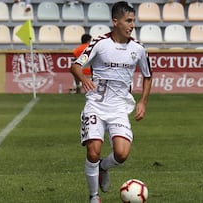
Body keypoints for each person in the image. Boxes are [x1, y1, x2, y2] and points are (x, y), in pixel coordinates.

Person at [70, 1, 152, 202]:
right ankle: (94, 196)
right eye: (128, 20)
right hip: (96, 106)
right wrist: (84, 78)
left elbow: (148, 75)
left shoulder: (138, 49)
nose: (132, 25)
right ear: (116, 22)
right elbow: (75, 66)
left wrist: (142, 102)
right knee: (93, 151)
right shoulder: (100, 43)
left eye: (133, 21)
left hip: (118, 109)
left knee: (122, 154)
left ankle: (103, 167)